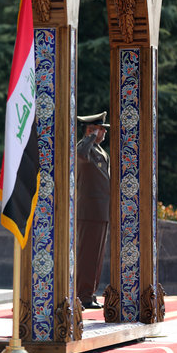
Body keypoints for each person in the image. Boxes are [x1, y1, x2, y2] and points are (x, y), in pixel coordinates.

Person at [76, 111, 110, 309]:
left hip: (101, 211)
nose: (104, 132)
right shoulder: (85, 147)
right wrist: (89, 135)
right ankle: (83, 295)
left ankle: (90, 293)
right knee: (87, 255)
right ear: (91, 130)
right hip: (89, 211)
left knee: (96, 257)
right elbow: (80, 154)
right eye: (101, 129)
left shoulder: (98, 150)